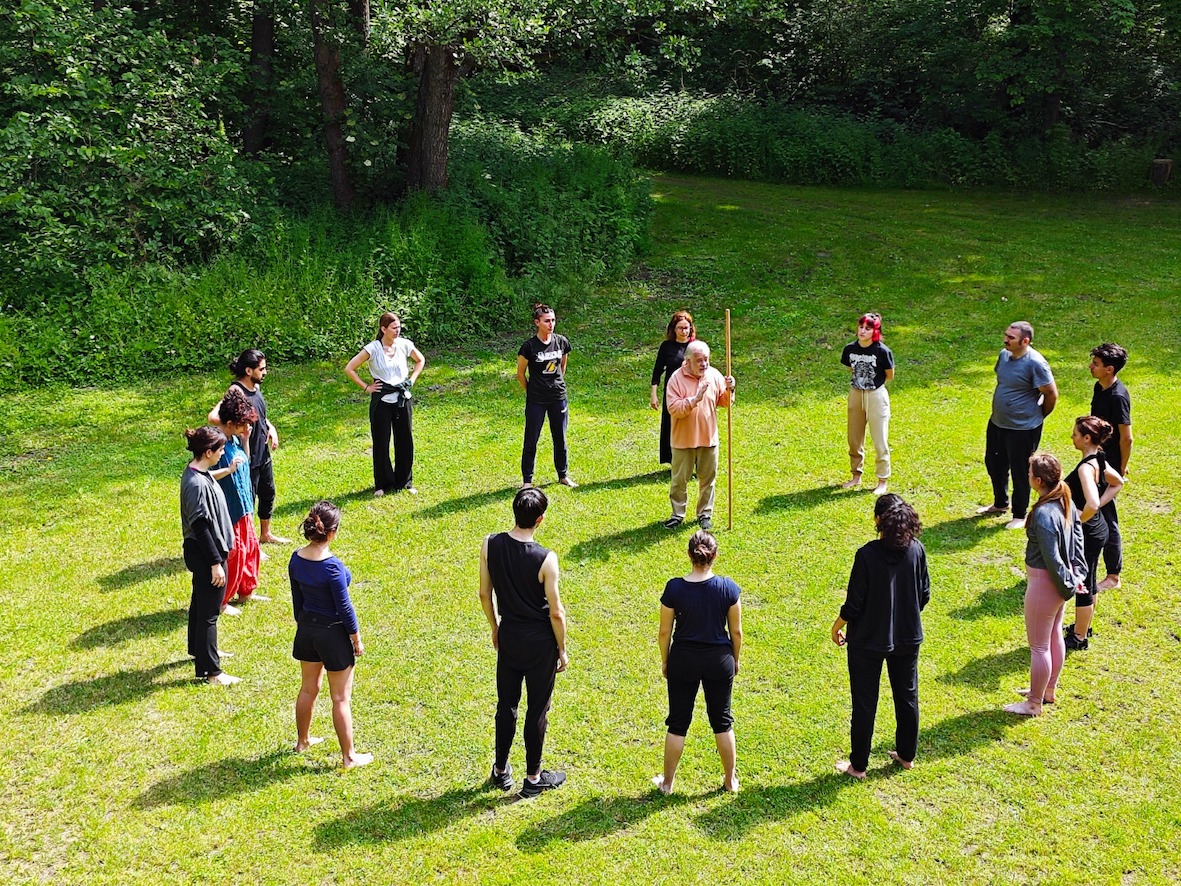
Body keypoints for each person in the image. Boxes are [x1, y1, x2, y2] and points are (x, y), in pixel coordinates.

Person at [479, 487, 569, 798]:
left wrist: (495, 627)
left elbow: (483, 593)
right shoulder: (547, 559)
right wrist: (562, 649)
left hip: (510, 636)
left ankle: (501, 770)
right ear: (540, 519)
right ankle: (533, 778)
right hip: (539, 642)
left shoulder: (490, 545)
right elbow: (556, 613)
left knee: (506, 706)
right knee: (537, 710)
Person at [831, 494, 929, 778]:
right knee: (907, 695)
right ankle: (907, 755)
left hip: (867, 642)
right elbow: (924, 595)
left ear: (878, 521)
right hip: (908, 637)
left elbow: (854, 604)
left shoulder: (867, 555)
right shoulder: (917, 551)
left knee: (865, 702)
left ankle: (858, 766)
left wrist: (837, 625)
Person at [654, 530, 742, 794]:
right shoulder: (728, 588)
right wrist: (735, 660)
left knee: (678, 722)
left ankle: (667, 784)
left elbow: (663, 632)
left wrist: (666, 660)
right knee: (722, 721)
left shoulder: (674, 588)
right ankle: (730, 781)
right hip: (719, 661)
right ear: (714, 556)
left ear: (689, 555)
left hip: (684, 660)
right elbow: (736, 632)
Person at [290, 501, 373, 769]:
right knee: (340, 698)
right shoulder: (333, 567)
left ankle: (302, 741)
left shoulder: (296, 558)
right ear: (332, 532)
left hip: (307, 631)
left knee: (308, 688)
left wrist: (304, 625)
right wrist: (356, 639)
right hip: (332, 635)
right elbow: (345, 608)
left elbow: (297, 601)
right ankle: (349, 757)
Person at [1004, 453, 1087, 717]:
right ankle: (1046, 690)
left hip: (1045, 584)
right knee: (1053, 636)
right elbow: (1077, 542)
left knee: (1039, 646)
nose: (1027, 475)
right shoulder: (1066, 501)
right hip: (1058, 584)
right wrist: (1077, 575)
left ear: (1038, 480)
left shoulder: (1043, 514)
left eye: (1029, 473)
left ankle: (1034, 703)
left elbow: (1052, 557)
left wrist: (1067, 585)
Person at [977, 321, 1058, 530]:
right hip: (998, 423)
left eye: (1011, 337)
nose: (1006, 340)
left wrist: (1039, 416)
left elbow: (1050, 393)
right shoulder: (1004, 356)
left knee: (1021, 471)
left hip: (1023, 429)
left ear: (1025, 341)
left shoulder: (1036, 363)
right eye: (1006, 335)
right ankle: (1000, 503)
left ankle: (1020, 514)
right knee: (994, 463)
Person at [209, 349, 289, 545]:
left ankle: (266, 534)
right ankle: (250, 542)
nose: (265, 372)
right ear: (248, 370)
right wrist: (236, 427)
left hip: (263, 453)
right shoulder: (235, 391)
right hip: (247, 453)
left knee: (267, 492)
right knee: (248, 500)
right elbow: (213, 417)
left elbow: (258, 413)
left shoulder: (256, 388)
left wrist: (270, 427)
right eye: (261, 369)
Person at [179, 426, 239, 686]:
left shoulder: (197, 472)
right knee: (209, 613)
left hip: (207, 553)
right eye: (220, 449)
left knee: (200, 604)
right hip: (206, 554)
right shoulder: (194, 484)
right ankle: (212, 671)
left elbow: (209, 478)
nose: (223, 452)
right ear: (207, 452)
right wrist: (216, 563)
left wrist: (226, 471)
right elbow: (201, 527)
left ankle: (200, 651)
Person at [344, 312, 426, 496]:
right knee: (381, 441)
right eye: (394, 328)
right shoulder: (372, 349)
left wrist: (411, 380)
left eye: (399, 327)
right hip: (381, 399)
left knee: (405, 439)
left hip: (402, 398)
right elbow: (349, 368)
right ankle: (383, 484)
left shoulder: (405, 345)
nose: (398, 331)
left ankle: (405, 481)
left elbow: (420, 360)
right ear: (383, 329)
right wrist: (366, 387)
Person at [1063, 416, 1123, 650]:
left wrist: (1077, 520)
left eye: (1075, 434)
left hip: (1088, 534)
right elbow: (1117, 482)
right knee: (1089, 577)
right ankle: (1083, 625)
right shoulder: (1099, 458)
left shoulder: (1086, 468)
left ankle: (1079, 638)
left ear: (1087, 438)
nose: (1072, 437)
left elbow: (1092, 503)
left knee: (1083, 584)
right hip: (1098, 530)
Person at [664, 340, 736, 531]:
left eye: (706, 359)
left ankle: (705, 514)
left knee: (708, 479)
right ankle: (677, 514)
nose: (704, 364)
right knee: (679, 480)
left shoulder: (713, 375)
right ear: (687, 361)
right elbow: (674, 409)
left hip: (708, 438)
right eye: (699, 360)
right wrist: (694, 400)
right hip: (682, 441)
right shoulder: (676, 379)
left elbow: (724, 402)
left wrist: (730, 389)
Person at [212, 386, 267, 614]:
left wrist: (245, 440)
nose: (247, 427)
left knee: (251, 549)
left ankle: (247, 591)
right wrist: (228, 469)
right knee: (234, 555)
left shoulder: (235, 439)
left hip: (245, 506)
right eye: (243, 424)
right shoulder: (214, 445)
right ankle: (222, 601)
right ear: (230, 423)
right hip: (230, 511)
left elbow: (244, 460)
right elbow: (202, 476)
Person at [517, 304, 577, 489]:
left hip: (558, 397)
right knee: (531, 439)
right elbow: (520, 374)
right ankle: (527, 481)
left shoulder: (561, 342)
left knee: (560, 437)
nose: (551, 324)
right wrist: (532, 391)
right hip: (536, 400)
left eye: (553, 320)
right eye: (546, 321)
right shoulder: (528, 347)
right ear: (537, 323)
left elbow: (562, 367)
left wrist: (555, 386)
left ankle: (563, 475)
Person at [1089, 343, 1133, 591]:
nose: (1090, 367)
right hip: (1096, 459)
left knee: (1107, 516)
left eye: (1095, 364)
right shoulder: (1100, 387)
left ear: (1109, 369)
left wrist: (1120, 467)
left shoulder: (1118, 397)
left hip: (1108, 464)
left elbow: (1126, 438)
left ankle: (1113, 576)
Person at [840, 312, 894, 496]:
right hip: (856, 394)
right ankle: (856, 475)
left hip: (876, 396)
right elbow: (850, 368)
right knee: (854, 438)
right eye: (861, 327)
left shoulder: (882, 351)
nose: (862, 331)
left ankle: (882, 479)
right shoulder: (849, 349)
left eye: (867, 328)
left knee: (880, 440)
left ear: (875, 331)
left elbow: (889, 375)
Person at [650, 311, 695, 466]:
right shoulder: (667, 347)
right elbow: (657, 370)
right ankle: (674, 460)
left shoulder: (695, 347)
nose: (684, 331)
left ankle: (692, 460)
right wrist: (653, 394)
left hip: (691, 392)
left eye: (687, 328)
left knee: (691, 425)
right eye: (681, 328)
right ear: (674, 329)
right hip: (672, 393)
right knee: (671, 425)